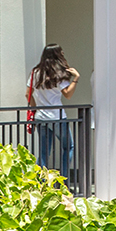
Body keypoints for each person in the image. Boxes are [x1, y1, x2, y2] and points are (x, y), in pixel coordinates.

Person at [26, 44, 80, 180]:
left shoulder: (36, 72)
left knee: (44, 152)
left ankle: (41, 182)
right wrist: (76, 79)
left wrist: (35, 107)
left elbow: (28, 94)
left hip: (40, 117)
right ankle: (63, 178)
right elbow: (67, 94)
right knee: (68, 147)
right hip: (57, 116)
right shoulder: (58, 74)